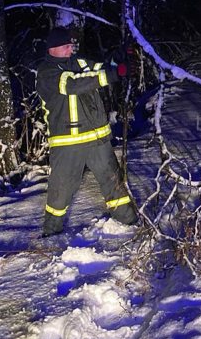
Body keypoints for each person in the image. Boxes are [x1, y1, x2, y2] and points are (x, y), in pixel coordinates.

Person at [36, 27, 138, 237]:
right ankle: (51, 233)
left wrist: (119, 59)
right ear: (53, 49)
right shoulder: (46, 73)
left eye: (70, 46)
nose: (69, 50)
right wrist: (111, 74)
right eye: (65, 46)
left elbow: (100, 68)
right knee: (61, 189)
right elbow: (74, 84)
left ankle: (130, 223)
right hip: (67, 141)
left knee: (113, 181)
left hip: (97, 136)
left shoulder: (79, 63)